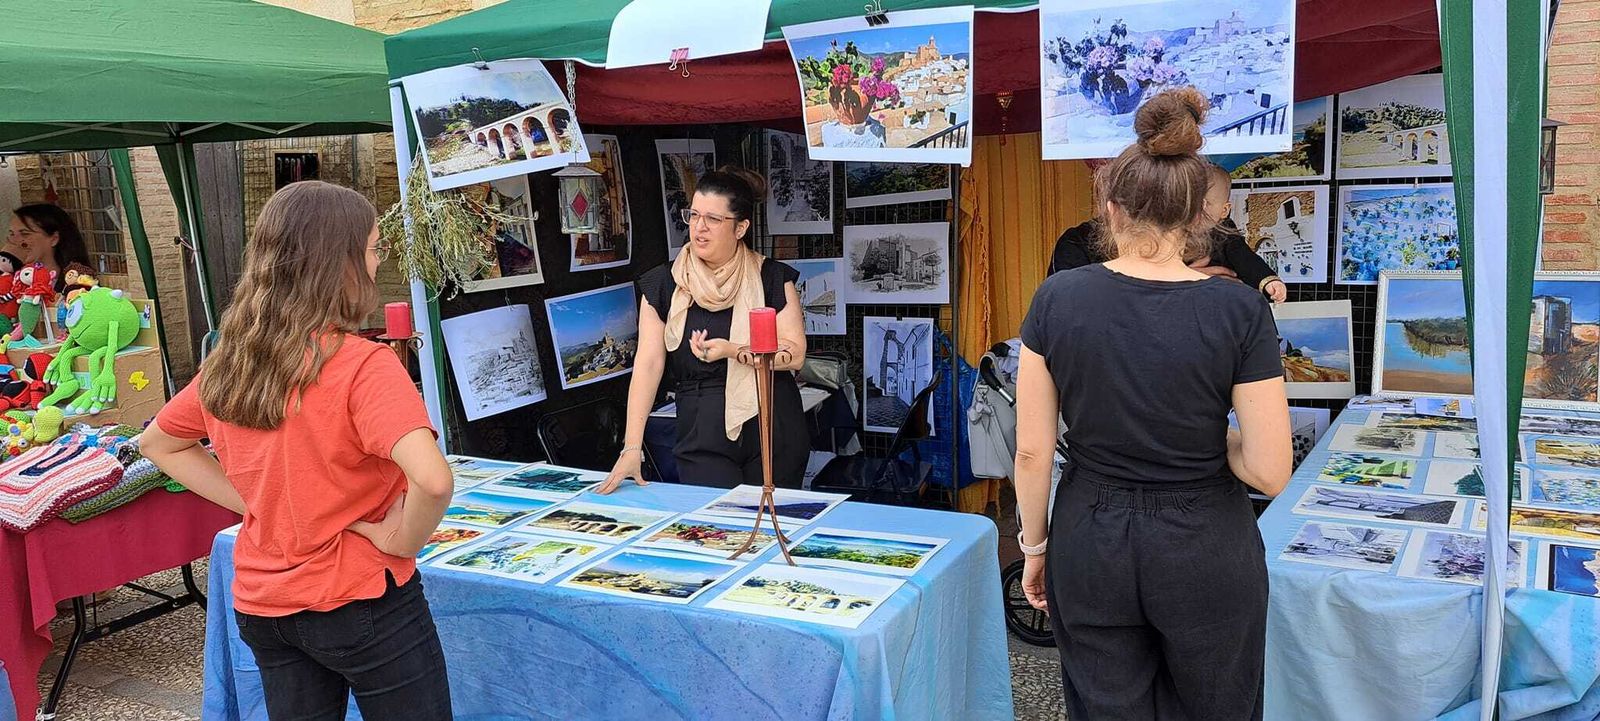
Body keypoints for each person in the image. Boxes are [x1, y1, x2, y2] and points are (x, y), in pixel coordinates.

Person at [1013, 89, 1292, 720]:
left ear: (1110, 210)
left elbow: (1031, 450)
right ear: (1200, 218)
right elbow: (1271, 470)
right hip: (1206, 543)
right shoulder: (1240, 309)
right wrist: (1201, 435)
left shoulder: (1057, 299)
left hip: (1091, 538)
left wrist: (1034, 547)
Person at [140, 181, 454, 721]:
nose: (379, 264)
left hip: (265, 602)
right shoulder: (362, 364)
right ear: (341, 263)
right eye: (374, 249)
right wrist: (401, 539)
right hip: (360, 595)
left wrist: (259, 504)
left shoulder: (234, 361)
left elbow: (159, 443)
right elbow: (433, 480)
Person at [600, 166, 808, 493]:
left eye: (713, 219)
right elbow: (648, 364)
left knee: (772, 528)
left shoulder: (772, 277)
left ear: (740, 228)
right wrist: (631, 447)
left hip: (772, 422)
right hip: (701, 427)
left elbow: (794, 355)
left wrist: (733, 351)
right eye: (694, 215)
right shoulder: (663, 283)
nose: (699, 228)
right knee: (715, 532)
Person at [1047, 165, 1288, 303]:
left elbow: (1244, 259)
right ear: (1113, 207)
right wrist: (1175, 282)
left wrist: (1267, 280)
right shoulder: (1075, 244)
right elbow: (1067, 308)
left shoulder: (1220, 233)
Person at [5, 203, 94, 292]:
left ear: (54, 239)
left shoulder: (78, 283)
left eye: (25, 234)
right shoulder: (8, 281)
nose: (14, 241)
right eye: (12, 234)